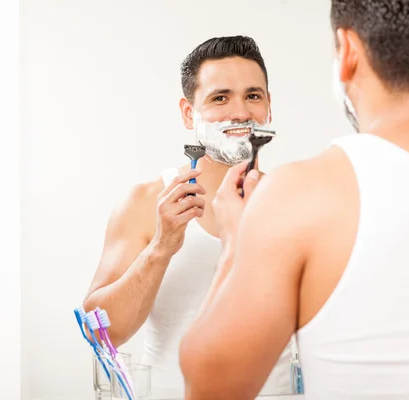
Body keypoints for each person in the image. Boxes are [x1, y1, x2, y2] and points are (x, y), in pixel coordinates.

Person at [179, 1, 409, 399]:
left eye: (252, 95)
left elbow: (211, 386)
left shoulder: (297, 195)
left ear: (347, 52)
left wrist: (235, 246)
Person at [83, 35, 292, 397]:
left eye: (253, 96)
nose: (240, 112)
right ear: (187, 113)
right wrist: (161, 248)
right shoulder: (146, 201)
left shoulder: (296, 202)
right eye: (220, 97)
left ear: (268, 107)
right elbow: (100, 331)